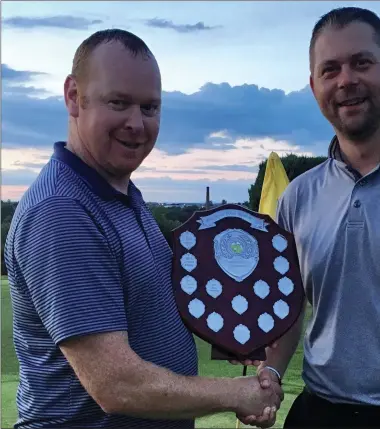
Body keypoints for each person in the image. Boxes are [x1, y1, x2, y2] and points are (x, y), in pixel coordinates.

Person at [4, 29, 283, 429]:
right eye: (118, 102)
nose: (136, 123)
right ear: (72, 96)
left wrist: (233, 334)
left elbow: (155, 306)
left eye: (150, 108)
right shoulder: (63, 212)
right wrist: (235, 394)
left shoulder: (119, 194)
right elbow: (116, 385)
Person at [236, 6, 380, 429]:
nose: (346, 80)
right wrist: (271, 377)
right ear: (314, 85)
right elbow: (289, 305)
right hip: (319, 413)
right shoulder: (299, 196)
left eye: (362, 63)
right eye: (329, 69)